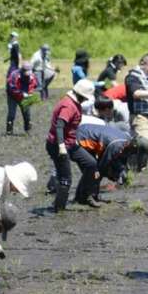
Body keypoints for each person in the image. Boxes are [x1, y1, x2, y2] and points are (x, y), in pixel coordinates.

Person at [46, 79, 95, 212]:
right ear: (81, 95)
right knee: (66, 179)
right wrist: (61, 146)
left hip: (71, 143)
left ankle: (82, 196)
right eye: (85, 98)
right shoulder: (68, 105)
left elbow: (71, 127)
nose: (85, 100)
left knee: (90, 163)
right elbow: (59, 126)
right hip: (58, 145)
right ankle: (59, 209)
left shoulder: (75, 103)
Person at [76, 123, 138, 201]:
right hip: (82, 138)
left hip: (91, 137)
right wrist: (113, 175)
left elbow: (120, 159)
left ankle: (83, 197)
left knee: (92, 170)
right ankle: (89, 197)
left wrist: (121, 171)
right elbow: (103, 166)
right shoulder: (116, 145)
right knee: (93, 170)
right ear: (131, 146)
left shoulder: (127, 139)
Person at [6, 62, 38, 135]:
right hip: (12, 96)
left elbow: (34, 86)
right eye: (26, 73)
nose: (28, 75)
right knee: (11, 113)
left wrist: (30, 94)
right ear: (22, 71)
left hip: (25, 96)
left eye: (29, 73)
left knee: (27, 113)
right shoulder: (14, 75)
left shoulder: (33, 77)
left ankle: (27, 130)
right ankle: (9, 130)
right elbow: (10, 88)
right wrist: (21, 93)